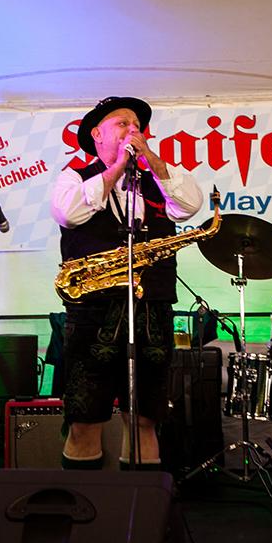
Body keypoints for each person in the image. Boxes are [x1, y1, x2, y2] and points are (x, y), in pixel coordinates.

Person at [51, 96, 203, 470]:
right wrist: (117, 167)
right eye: (122, 123)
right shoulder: (74, 176)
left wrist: (150, 159)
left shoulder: (157, 178)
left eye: (137, 125)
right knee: (85, 416)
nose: (133, 129)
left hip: (151, 306)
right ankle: (86, 512)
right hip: (93, 310)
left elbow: (190, 205)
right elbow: (68, 213)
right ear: (97, 134)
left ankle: (142, 514)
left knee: (146, 417)